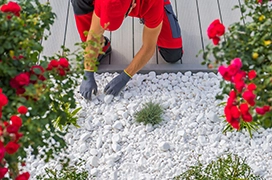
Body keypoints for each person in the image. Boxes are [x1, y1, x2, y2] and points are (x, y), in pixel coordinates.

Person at [71, 0, 183, 100]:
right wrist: (88, 72)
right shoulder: (104, 2)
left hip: (150, 4)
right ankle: (102, 47)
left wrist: (125, 76)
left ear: (132, 6)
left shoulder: (153, 3)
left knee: (173, 54)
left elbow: (149, 47)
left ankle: (158, 12)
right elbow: (94, 35)